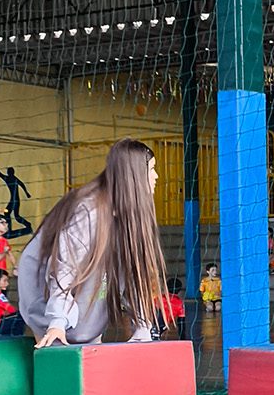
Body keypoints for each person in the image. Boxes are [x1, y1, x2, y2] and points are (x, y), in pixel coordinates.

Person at [17, 138, 169, 348]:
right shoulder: (89, 211)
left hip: (90, 274)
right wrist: (57, 323)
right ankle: (54, 333)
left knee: (88, 333)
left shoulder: (129, 215)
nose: (156, 176)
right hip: (43, 280)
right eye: (151, 169)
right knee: (59, 341)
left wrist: (143, 327)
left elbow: (133, 271)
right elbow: (64, 268)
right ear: (134, 174)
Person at [0, 162, 33, 237]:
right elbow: (0, 174)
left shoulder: (12, 179)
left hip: (15, 200)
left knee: (14, 215)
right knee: (8, 213)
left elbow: (21, 184)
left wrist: (27, 193)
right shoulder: (11, 178)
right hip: (13, 200)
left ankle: (26, 225)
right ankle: (10, 228)